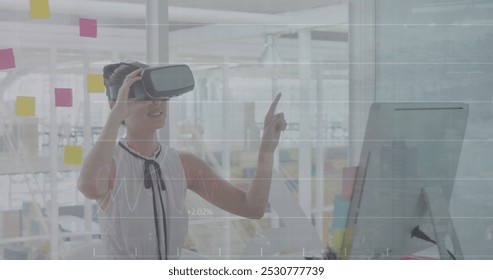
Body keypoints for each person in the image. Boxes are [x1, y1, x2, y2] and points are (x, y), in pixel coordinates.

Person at [77, 62, 287, 259]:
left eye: (159, 95)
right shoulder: (111, 163)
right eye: (144, 96)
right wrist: (115, 116)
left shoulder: (184, 164)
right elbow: (89, 187)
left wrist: (266, 153)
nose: (156, 103)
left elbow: (251, 207)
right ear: (116, 105)